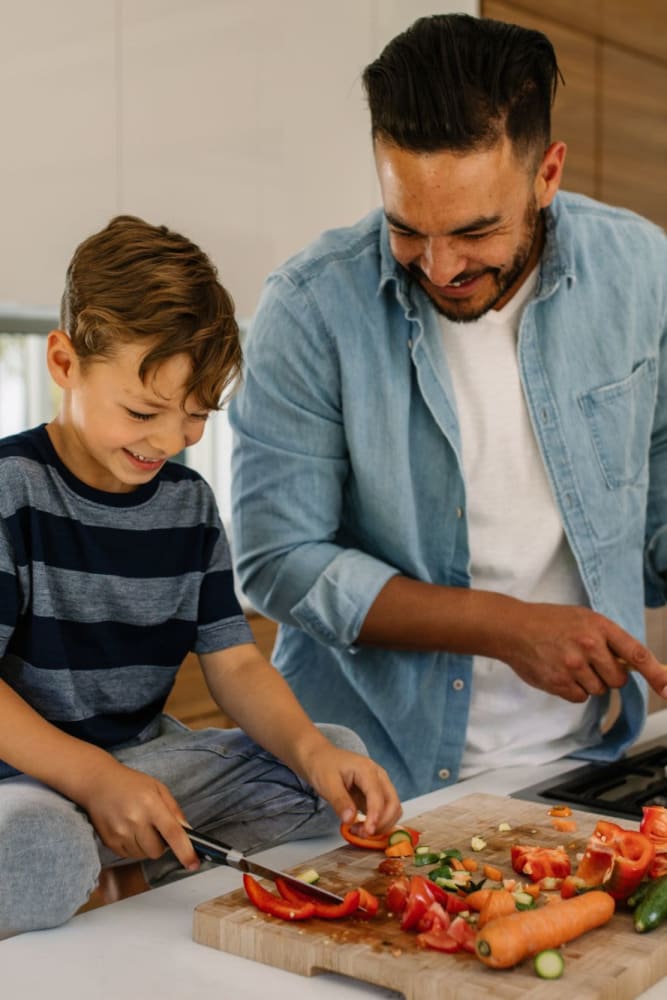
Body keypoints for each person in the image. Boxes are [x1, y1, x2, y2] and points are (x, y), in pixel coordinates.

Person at [229, 13, 667, 802]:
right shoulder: (310, 307)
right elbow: (275, 560)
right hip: (363, 780)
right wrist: (505, 626)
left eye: (474, 231)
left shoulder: (640, 269)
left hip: (583, 764)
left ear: (547, 173)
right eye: (406, 229)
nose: (438, 267)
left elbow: (658, 480)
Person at [0, 215, 400, 937]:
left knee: (335, 761)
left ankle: (120, 859)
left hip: (147, 765)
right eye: (144, 411)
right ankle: (107, 860)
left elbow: (237, 661)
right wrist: (95, 781)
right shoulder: (10, 488)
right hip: (24, 783)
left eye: (195, 416)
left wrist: (311, 751)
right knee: (39, 845)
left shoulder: (188, 505)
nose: (169, 440)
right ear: (64, 364)